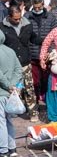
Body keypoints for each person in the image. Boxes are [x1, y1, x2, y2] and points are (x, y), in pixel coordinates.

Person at [1, 5, 40, 122]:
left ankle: (33, 112)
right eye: (15, 19)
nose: (18, 21)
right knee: (14, 88)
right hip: (11, 65)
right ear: (9, 17)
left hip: (24, 63)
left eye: (19, 18)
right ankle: (12, 110)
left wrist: (46, 41)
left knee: (29, 89)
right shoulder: (2, 27)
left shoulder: (27, 25)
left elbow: (33, 38)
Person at [0, 29, 22, 157]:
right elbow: (19, 70)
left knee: (1, 121)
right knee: (8, 121)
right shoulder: (10, 51)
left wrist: (8, 86)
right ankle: (12, 147)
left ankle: (3, 150)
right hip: (11, 93)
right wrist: (13, 86)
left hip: (2, 92)